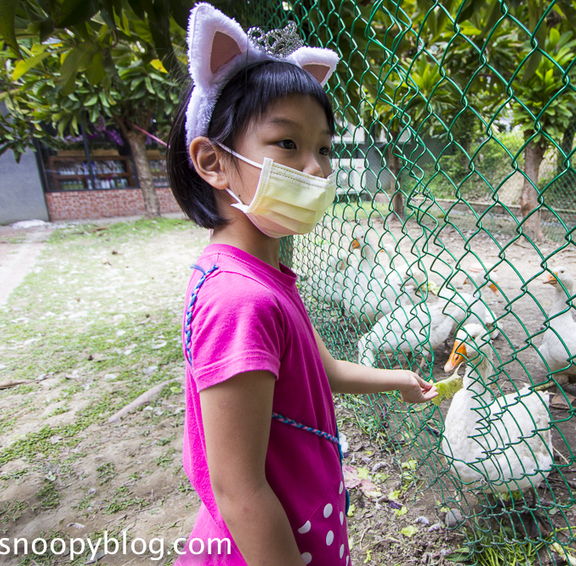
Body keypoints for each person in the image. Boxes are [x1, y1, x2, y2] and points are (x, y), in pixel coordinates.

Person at [167, 5, 437, 565]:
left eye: (324, 149)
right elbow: (238, 492)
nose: (316, 169)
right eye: (287, 145)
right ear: (213, 162)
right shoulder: (241, 300)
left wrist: (399, 380)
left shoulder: (261, 278)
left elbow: (323, 372)